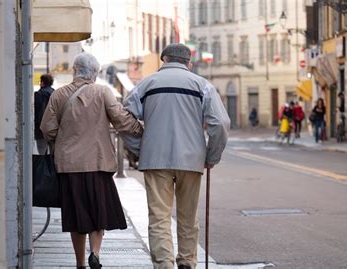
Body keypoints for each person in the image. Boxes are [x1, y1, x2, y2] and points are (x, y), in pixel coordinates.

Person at [123, 43, 230, 269]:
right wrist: (211, 155)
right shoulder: (202, 85)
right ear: (188, 63)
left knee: (159, 216)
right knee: (188, 217)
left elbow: (124, 118)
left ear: (164, 60)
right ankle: (187, 262)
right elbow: (220, 123)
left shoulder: (146, 84)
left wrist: (139, 147)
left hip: (155, 158)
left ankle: (164, 264)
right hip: (191, 159)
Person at [40, 53, 143, 269]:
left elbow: (47, 128)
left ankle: (80, 263)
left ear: (75, 70)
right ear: (94, 73)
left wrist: (63, 140)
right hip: (98, 163)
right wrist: (141, 129)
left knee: (76, 216)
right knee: (98, 212)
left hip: (69, 166)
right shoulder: (103, 92)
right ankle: (95, 253)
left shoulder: (59, 95)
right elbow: (121, 119)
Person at [34, 74, 55, 154]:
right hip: (53, 128)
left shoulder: (38, 95)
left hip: (40, 129)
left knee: (42, 154)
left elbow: (35, 111)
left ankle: (43, 166)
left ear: (42, 82)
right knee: (53, 154)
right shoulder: (56, 94)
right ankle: (51, 166)